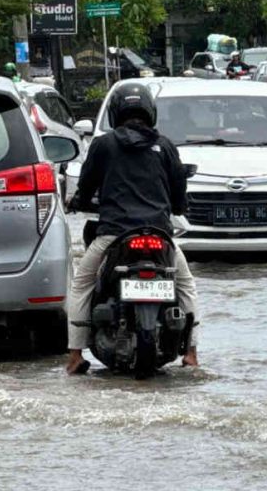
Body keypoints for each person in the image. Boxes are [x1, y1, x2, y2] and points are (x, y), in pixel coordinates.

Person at [65, 83, 200, 375]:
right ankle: (191, 352)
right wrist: (178, 208)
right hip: (160, 235)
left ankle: (75, 355)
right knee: (186, 283)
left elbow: (86, 185)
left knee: (82, 283)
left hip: (114, 235)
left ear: (116, 113)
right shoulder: (164, 146)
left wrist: (79, 201)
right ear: (150, 112)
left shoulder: (103, 145)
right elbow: (179, 190)